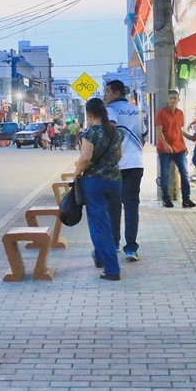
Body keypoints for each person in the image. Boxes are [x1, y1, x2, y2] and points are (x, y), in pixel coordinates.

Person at [72, 98, 124, 281]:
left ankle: (112, 269)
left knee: (99, 224)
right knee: (109, 221)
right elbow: (119, 155)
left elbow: (85, 158)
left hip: (95, 183)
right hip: (115, 181)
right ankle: (101, 256)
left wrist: (76, 172)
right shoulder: (115, 132)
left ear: (90, 114)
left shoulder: (90, 133)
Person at [104, 79, 145, 261]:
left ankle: (113, 244)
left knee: (113, 207)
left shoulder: (110, 110)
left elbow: (111, 133)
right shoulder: (135, 110)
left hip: (116, 165)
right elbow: (143, 136)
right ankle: (131, 248)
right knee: (131, 207)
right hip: (136, 163)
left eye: (107, 91)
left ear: (116, 93)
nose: (105, 95)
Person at [155, 90, 196, 209]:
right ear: (168, 100)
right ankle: (166, 199)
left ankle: (186, 199)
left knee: (184, 173)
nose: (172, 100)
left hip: (179, 149)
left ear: (178, 100)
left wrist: (186, 142)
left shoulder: (180, 113)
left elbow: (179, 130)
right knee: (165, 175)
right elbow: (159, 131)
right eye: (170, 98)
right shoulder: (161, 113)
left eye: (175, 98)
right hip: (164, 150)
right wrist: (166, 144)